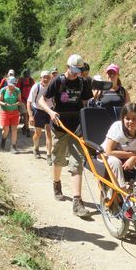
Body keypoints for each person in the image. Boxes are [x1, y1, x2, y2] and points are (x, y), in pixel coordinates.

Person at [38, 54, 93, 218]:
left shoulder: (83, 82)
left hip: (76, 127)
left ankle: (77, 201)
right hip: (59, 126)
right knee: (59, 159)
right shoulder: (57, 81)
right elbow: (41, 100)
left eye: (79, 71)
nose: (76, 74)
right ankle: (56, 183)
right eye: (74, 71)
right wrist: (50, 111)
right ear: (67, 67)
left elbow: (85, 103)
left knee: (77, 162)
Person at [27, 70, 53, 164]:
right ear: (41, 78)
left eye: (48, 77)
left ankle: (49, 155)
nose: (46, 79)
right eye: (44, 77)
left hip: (49, 111)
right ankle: (35, 148)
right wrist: (30, 116)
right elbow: (29, 101)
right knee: (37, 133)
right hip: (38, 111)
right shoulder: (36, 87)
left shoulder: (52, 86)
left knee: (49, 132)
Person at [0, 76, 23, 153]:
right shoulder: (3, 90)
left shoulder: (17, 90)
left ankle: (13, 146)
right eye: (10, 84)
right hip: (5, 112)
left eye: (13, 84)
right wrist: (4, 104)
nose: (11, 86)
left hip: (15, 112)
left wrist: (16, 104)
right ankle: (3, 139)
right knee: (6, 130)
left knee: (14, 130)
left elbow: (20, 101)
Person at [17, 69, 35, 137]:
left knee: (28, 114)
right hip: (22, 100)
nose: (27, 77)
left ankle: (25, 127)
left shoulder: (31, 80)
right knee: (25, 114)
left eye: (27, 76)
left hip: (29, 100)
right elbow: (17, 90)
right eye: (26, 76)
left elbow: (34, 89)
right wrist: (19, 100)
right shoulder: (20, 80)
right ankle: (27, 129)